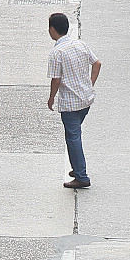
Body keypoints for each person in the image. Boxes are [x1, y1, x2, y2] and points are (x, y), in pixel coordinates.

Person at [48, 12, 101, 190]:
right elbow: (97, 64)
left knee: (73, 137)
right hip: (86, 100)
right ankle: (77, 167)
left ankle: (81, 175)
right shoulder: (80, 44)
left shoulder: (57, 52)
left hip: (70, 103)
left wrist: (51, 98)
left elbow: (56, 80)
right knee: (75, 134)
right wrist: (89, 84)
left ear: (52, 29)